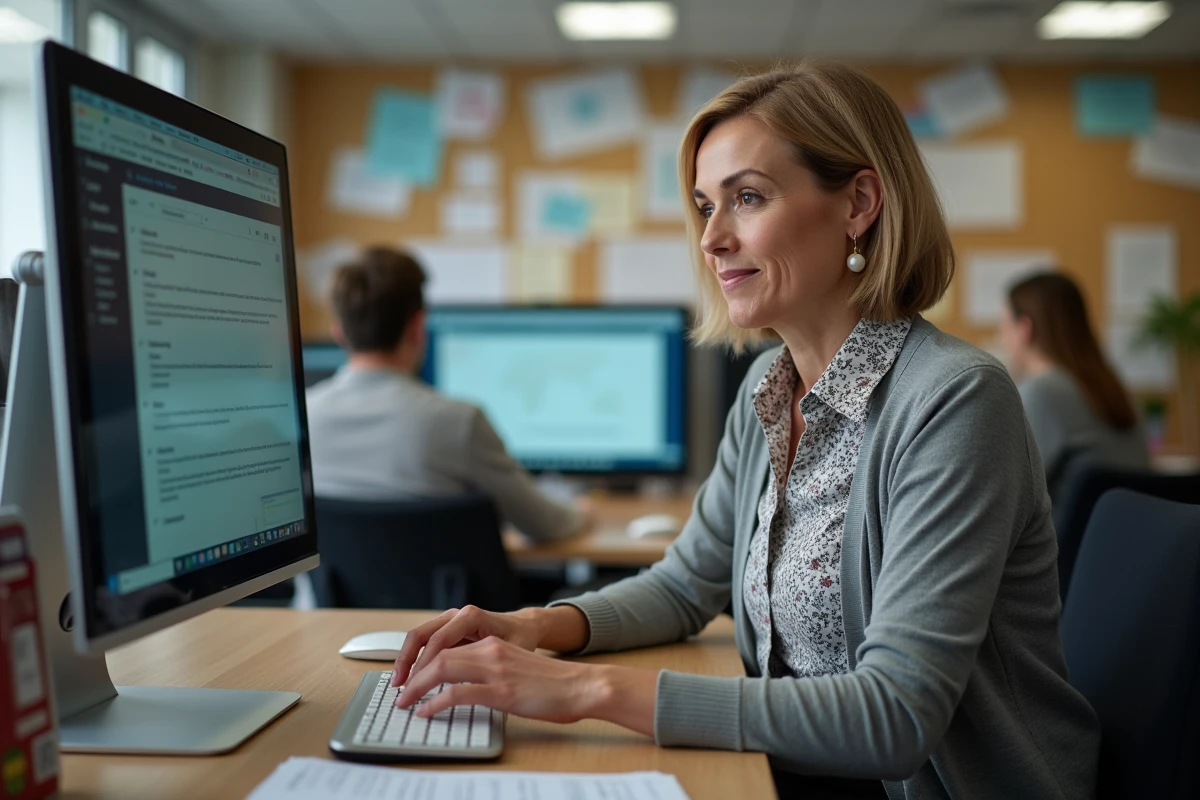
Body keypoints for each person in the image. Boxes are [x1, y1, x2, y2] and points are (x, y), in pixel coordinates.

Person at [388, 62, 1100, 799]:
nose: (711, 238)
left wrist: (584, 691)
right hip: (792, 770)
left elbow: (896, 716)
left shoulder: (954, 400)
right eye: (705, 206)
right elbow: (684, 585)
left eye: (747, 198)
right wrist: (534, 627)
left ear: (859, 203)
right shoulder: (769, 386)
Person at [305, 246, 586, 542]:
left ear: (339, 332)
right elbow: (546, 526)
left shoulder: (303, 419)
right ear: (417, 327)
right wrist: (582, 512)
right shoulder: (460, 422)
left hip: (333, 576)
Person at [999, 271, 1148, 507]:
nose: (1001, 336)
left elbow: (1008, 494)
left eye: (1005, 325)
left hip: (1068, 531)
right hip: (1129, 527)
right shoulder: (1116, 389)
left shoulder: (1040, 392)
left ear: (1025, 329)